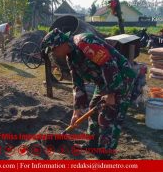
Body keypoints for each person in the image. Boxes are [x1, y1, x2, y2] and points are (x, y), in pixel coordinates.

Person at [41, 28, 136, 159]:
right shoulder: (71, 57)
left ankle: (105, 154)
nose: (53, 54)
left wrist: (111, 93)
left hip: (121, 78)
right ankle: (92, 144)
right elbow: (77, 83)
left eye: (53, 50)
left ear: (60, 44)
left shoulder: (84, 42)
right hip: (103, 82)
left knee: (108, 117)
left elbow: (108, 64)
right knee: (93, 109)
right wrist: (77, 110)